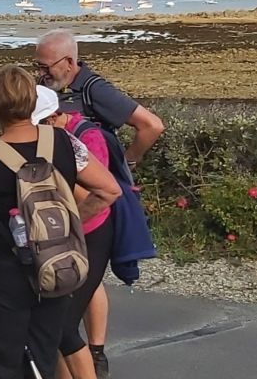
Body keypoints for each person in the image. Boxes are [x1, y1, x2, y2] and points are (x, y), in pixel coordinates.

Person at [0, 66, 121, 379]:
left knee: (0, 364)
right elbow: (109, 190)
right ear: (33, 100)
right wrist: (68, 225)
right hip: (55, 267)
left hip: (1, 273)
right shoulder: (66, 142)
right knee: (42, 359)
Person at [34, 29, 168, 375]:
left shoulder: (94, 89)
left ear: (68, 62)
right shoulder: (54, 89)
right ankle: (87, 355)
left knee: (70, 305)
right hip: (71, 207)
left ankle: (95, 352)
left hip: (95, 204)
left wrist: (125, 162)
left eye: (45, 66)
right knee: (75, 292)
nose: (40, 73)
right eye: (37, 66)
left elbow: (151, 125)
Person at [29, 86, 114, 379]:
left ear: (52, 118)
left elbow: (100, 192)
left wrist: (50, 175)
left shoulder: (84, 139)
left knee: (62, 324)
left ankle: (95, 360)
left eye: (36, 124)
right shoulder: (52, 139)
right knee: (55, 323)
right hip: (61, 237)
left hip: (91, 231)